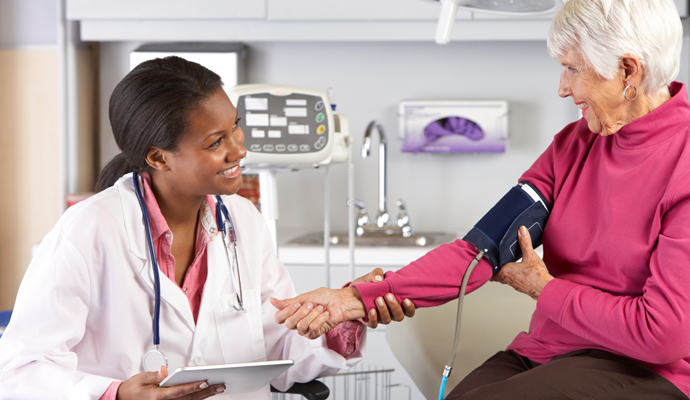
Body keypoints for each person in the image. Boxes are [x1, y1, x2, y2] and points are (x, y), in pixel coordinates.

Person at [272, 0, 690, 398]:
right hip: (546, 352)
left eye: (572, 69)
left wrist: (546, 290)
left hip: (643, 370)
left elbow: (661, 335)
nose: (563, 88)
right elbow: (479, 251)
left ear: (628, 70)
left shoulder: (683, 163)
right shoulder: (574, 145)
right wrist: (352, 299)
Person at [0, 56, 413, 400]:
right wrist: (115, 393)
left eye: (235, 126)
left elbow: (279, 350)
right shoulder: (89, 230)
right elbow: (21, 370)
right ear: (159, 158)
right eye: (216, 142)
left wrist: (340, 316)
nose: (239, 148)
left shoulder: (242, 222)